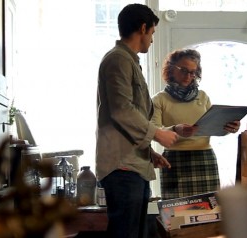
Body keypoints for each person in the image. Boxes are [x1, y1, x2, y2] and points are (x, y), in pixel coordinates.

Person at [95, 3, 177, 238]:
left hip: (133, 165)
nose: (152, 40)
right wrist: (157, 133)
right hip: (122, 168)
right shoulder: (118, 60)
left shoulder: (128, 60)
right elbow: (122, 110)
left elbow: (131, 116)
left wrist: (149, 151)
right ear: (143, 28)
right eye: (152, 33)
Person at [151, 49, 241, 200]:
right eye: (184, 70)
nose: (188, 76)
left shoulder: (203, 96)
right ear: (171, 69)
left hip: (204, 157)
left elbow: (213, 125)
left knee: (210, 212)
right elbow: (153, 130)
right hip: (174, 160)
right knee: (175, 214)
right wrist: (175, 129)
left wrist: (228, 127)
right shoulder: (159, 99)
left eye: (193, 72)